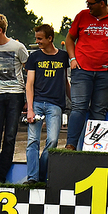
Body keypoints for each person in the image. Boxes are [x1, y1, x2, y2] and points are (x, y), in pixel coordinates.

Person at [64, 0, 108, 150]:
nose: (88, 6)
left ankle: (93, 148)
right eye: (87, 3)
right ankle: (70, 145)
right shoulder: (82, 16)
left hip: (106, 72)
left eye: (91, 4)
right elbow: (70, 38)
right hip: (82, 69)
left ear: (102, 3)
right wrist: (72, 59)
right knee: (78, 107)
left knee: (99, 110)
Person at [0, 12, 29, 183]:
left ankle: (1, 175)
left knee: (9, 137)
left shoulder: (18, 48)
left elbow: (30, 72)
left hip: (15, 95)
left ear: (0, 30)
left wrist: (28, 99)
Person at [25, 24, 71, 184]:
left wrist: (73, 100)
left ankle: (42, 174)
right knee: (33, 141)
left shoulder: (63, 57)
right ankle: (32, 177)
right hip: (37, 103)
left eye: (40, 39)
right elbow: (29, 84)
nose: (37, 41)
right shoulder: (34, 57)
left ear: (50, 38)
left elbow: (65, 81)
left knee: (52, 141)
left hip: (55, 105)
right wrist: (29, 109)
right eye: (36, 38)